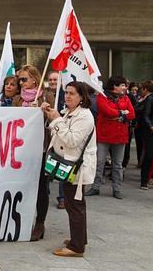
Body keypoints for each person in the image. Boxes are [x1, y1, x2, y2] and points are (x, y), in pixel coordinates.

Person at [42, 81, 96, 257]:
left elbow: (71, 140)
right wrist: (52, 116)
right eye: (66, 92)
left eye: (72, 93)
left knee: (75, 206)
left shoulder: (85, 116)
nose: (67, 96)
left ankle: (76, 247)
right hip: (67, 165)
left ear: (82, 97)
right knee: (74, 204)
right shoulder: (69, 113)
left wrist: (56, 119)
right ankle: (80, 238)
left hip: (76, 168)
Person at [12, 64, 54, 241]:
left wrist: (42, 111)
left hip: (41, 148)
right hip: (21, 149)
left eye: (24, 79)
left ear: (35, 79)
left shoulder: (47, 97)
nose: (21, 83)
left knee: (41, 187)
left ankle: (40, 222)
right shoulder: (17, 100)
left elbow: (54, 120)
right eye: (19, 80)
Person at [85, 76, 135, 199]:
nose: (124, 88)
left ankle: (117, 189)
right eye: (122, 85)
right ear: (115, 86)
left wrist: (119, 115)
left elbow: (132, 114)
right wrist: (122, 113)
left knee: (118, 164)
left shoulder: (126, 98)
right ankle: (95, 187)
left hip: (120, 135)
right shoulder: (102, 96)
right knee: (99, 162)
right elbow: (106, 111)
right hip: (104, 134)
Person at [134, 80, 153, 167]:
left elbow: (141, 110)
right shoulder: (142, 98)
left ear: (145, 89)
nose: (139, 91)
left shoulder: (149, 98)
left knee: (144, 147)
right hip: (140, 125)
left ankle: (144, 165)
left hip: (144, 126)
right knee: (140, 145)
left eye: (140, 89)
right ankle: (141, 162)